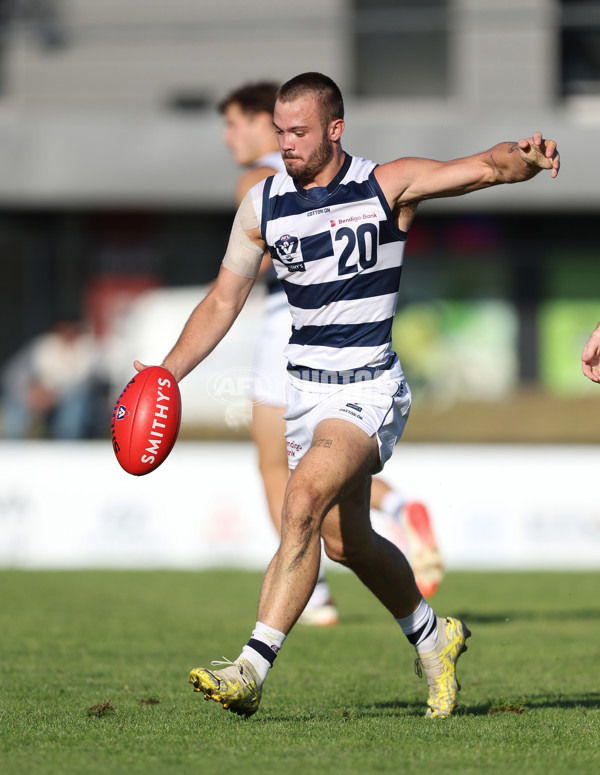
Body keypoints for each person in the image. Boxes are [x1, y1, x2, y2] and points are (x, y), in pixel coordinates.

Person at [135, 72, 560, 719]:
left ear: (335, 128)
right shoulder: (263, 204)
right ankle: (433, 636)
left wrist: (522, 159)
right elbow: (224, 298)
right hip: (306, 395)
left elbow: (481, 168)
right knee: (345, 541)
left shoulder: (384, 184)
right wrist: (165, 373)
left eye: (299, 131)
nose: (287, 143)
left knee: (300, 497)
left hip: (369, 390)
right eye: (280, 131)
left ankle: (250, 666)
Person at [219, 82, 443, 622]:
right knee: (337, 502)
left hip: (292, 332)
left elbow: (256, 272)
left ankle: (302, 600)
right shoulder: (327, 167)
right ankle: (398, 510)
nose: (229, 138)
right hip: (344, 341)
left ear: (257, 120)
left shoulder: (262, 184)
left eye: (234, 123)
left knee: (279, 469)